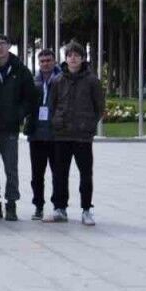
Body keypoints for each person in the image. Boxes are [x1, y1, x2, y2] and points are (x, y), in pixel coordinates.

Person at [45, 42, 104, 225]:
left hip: (82, 136)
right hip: (62, 134)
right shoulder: (57, 80)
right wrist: (56, 122)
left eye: (76, 55)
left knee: (85, 174)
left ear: (83, 58)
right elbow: (52, 105)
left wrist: (89, 124)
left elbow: (99, 107)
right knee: (59, 174)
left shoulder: (92, 81)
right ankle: (60, 208)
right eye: (70, 55)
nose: (73, 58)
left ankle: (86, 210)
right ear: (66, 58)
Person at [0, 33, 34, 221]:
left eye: (2, 43)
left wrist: (17, 115)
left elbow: (29, 98)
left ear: (9, 45)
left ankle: (11, 204)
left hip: (9, 129)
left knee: (11, 169)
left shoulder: (21, 70)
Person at [24, 48, 61, 220]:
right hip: (36, 135)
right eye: (42, 61)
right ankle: (38, 206)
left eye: (48, 60)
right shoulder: (34, 82)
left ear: (54, 61)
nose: (45, 64)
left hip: (56, 135)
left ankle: (58, 206)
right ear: (39, 63)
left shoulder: (61, 80)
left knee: (58, 174)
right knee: (37, 175)